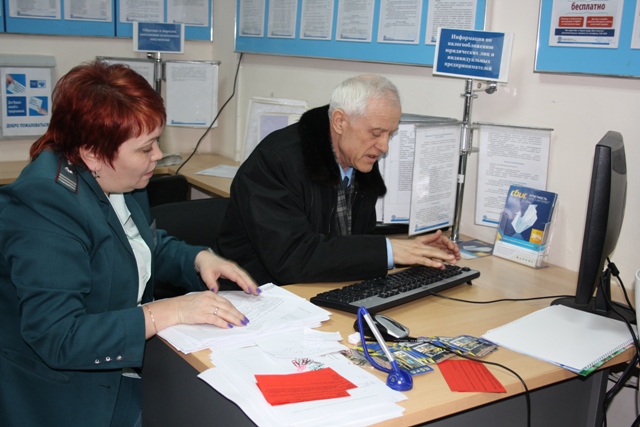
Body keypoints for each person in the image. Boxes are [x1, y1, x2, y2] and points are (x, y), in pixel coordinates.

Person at [0, 61, 260, 427]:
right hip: (65, 396)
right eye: (145, 148)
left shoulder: (120, 179)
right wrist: (167, 312)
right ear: (93, 153)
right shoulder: (44, 206)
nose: (158, 156)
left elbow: (137, 245)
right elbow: (58, 337)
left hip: (125, 369)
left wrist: (198, 258)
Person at [215, 74, 460, 286]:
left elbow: (351, 242)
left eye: (390, 134)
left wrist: (412, 250)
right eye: (376, 133)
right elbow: (292, 258)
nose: (384, 146)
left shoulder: (359, 158)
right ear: (340, 121)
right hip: (255, 293)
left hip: (319, 286)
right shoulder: (274, 161)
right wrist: (388, 250)